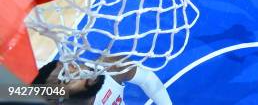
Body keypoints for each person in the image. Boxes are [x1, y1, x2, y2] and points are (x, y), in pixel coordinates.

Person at [33, 58, 172, 104]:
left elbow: (147, 79)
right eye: (66, 75)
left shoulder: (110, 67)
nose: (78, 69)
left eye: (72, 65)